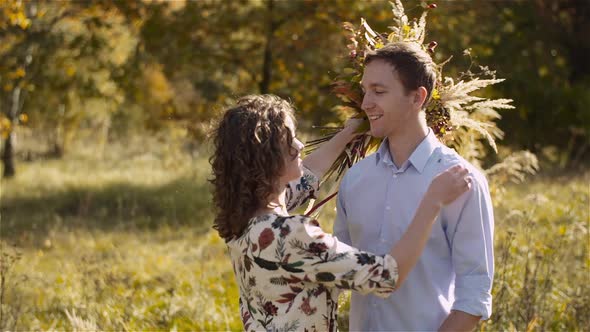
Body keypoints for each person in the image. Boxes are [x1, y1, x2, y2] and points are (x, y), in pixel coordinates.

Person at [209, 94, 472, 331]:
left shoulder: (247, 218)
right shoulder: (291, 235)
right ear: (266, 158)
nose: (300, 146)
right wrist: (432, 203)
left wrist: (347, 134)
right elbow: (386, 275)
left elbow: (306, 177)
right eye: (289, 140)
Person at [333, 42, 495, 331]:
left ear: (417, 98)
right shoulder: (354, 181)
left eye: (379, 92)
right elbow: (337, 275)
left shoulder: (460, 181)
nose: (366, 102)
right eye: (365, 90)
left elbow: (474, 297)